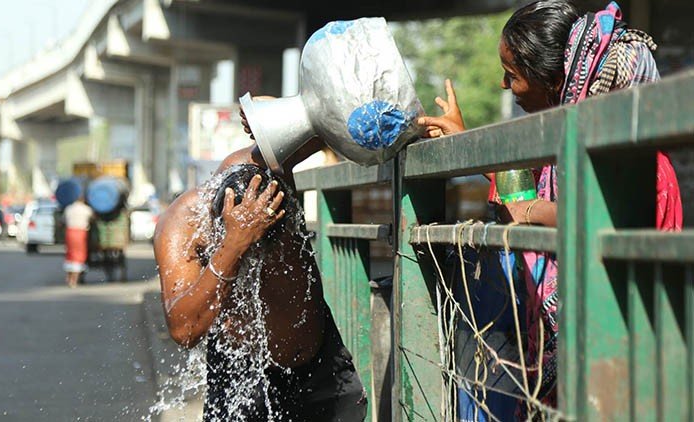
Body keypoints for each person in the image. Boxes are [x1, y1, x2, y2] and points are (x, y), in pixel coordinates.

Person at [418, 0, 683, 412]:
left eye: (513, 76)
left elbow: (597, 219)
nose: (506, 87)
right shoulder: (566, 152)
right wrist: (462, 140)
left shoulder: (630, 157)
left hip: (624, 375)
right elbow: (524, 194)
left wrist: (534, 213)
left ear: (553, 80)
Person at [154, 128, 367, 419]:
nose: (259, 262)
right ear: (216, 225)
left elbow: (337, 124)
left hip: (318, 368)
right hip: (241, 369)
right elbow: (183, 330)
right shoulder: (185, 223)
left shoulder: (269, 162)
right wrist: (232, 248)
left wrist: (428, 131)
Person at [63, 197, 93, 288]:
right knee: (78, 256)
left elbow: (63, 220)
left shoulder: (69, 208)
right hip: (80, 233)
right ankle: (74, 280)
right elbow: (93, 218)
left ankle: (69, 277)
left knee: (70, 254)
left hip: (69, 232)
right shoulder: (86, 209)